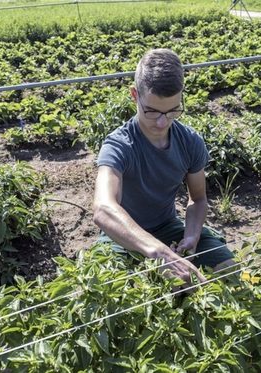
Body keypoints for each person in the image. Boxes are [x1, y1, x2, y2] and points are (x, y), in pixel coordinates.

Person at [93, 48, 235, 286]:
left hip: (168, 228)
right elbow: (103, 208)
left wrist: (191, 234)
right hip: (120, 238)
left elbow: (197, 199)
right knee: (116, 293)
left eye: (172, 111)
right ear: (134, 95)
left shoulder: (189, 142)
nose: (162, 122)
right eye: (152, 111)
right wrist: (160, 252)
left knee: (229, 272)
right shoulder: (119, 145)